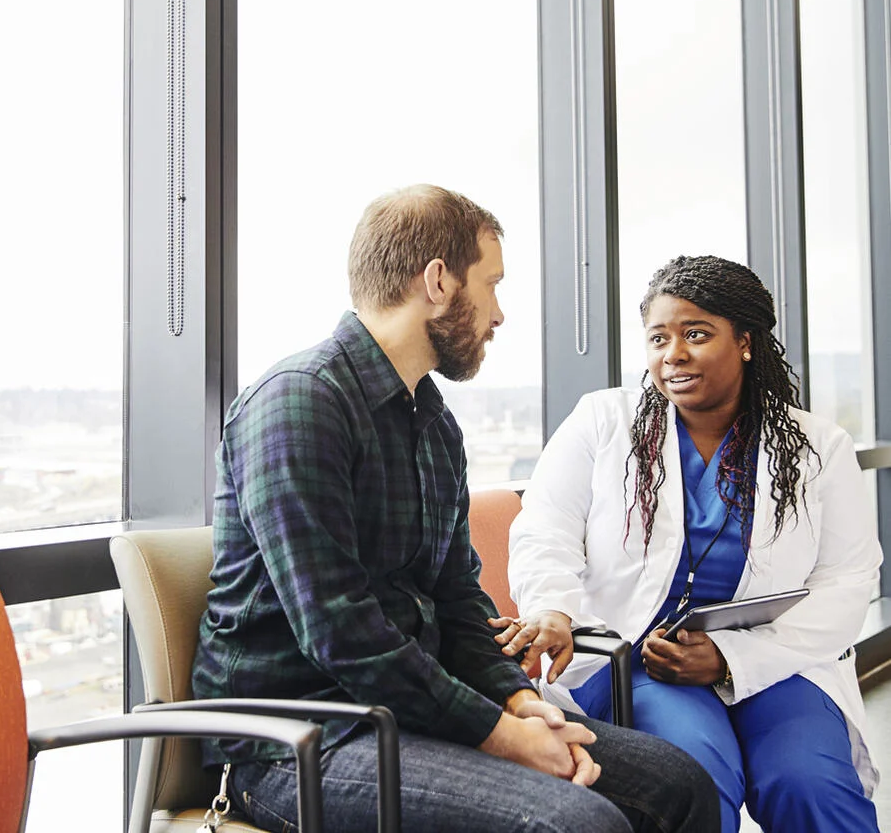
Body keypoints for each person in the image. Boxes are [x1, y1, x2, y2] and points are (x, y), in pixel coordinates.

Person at [192, 185, 718, 833]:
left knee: (680, 786)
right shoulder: (299, 404)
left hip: (408, 717)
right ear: (438, 282)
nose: (499, 313)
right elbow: (340, 632)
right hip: (298, 742)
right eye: (492, 284)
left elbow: (461, 605)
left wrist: (521, 702)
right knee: (579, 825)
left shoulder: (434, 427)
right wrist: (502, 734)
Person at [504, 254, 882, 833]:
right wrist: (552, 606)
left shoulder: (817, 447)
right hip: (637, 661)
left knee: (809, 781)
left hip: (773, 660)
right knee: (696, 771)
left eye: (696, 335)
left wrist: (732, 660)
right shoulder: (604, 422)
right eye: (658, 338)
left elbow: (848, 581)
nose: (672, 355)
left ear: (747, 342)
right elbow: (544, 528)